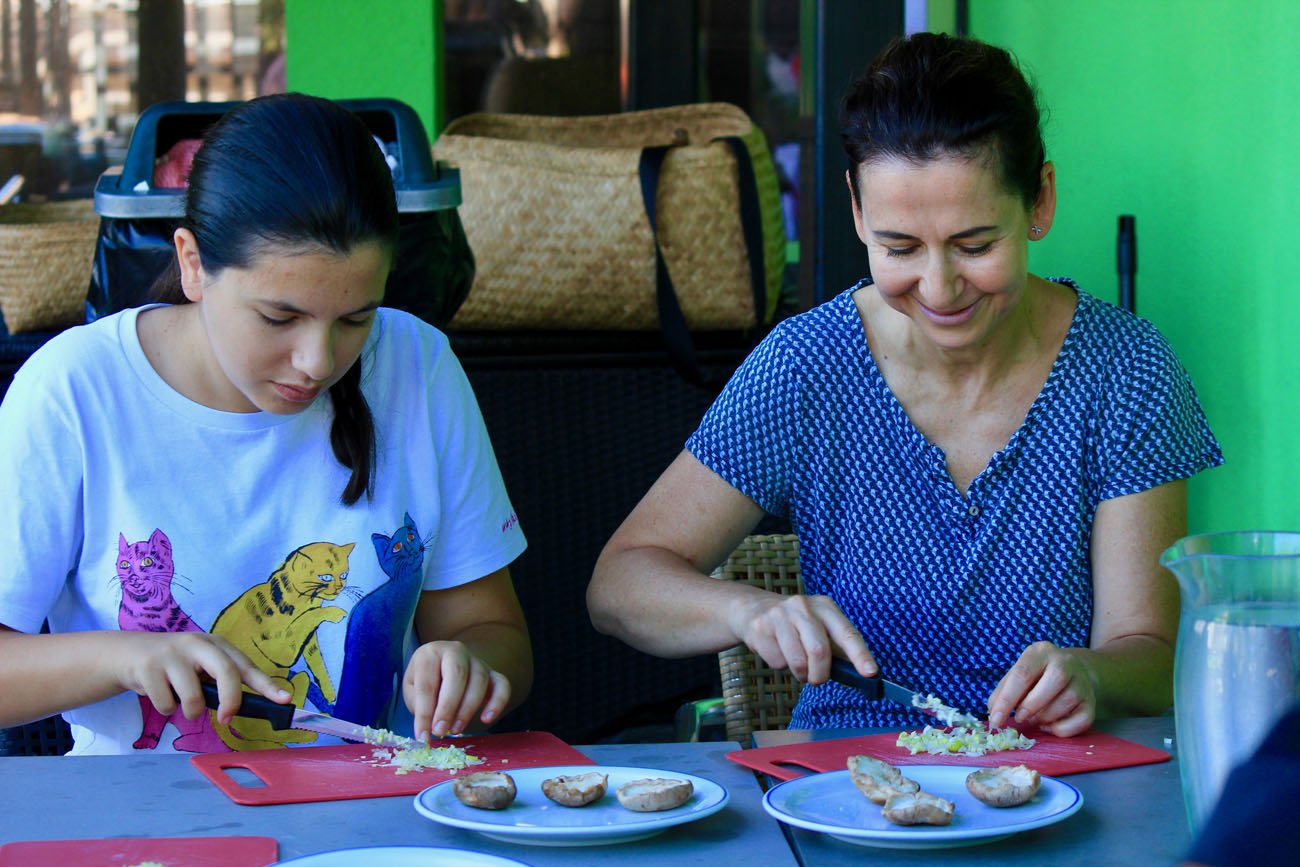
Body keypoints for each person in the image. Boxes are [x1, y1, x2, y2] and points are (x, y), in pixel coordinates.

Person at [588, 32, 1222, 737]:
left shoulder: (1124, 370)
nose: (940, 287)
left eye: (976, 245)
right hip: (846, 790)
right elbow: (618, 585)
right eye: (899, 247)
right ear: (857, 208)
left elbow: (1153, 654)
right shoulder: (809, 365)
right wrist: (745, 610)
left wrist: (1094, 675)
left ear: (1039, 200)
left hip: (1059, 788)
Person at [0, 93, 531, 754]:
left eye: (356, 319)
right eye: (279, 318)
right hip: (150, 825)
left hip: (369, 813)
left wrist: (467, 667)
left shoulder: (416, 364)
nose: (318, 362)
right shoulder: (71, 392)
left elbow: (495, 631)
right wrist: (123, 656)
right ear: (193, 264)